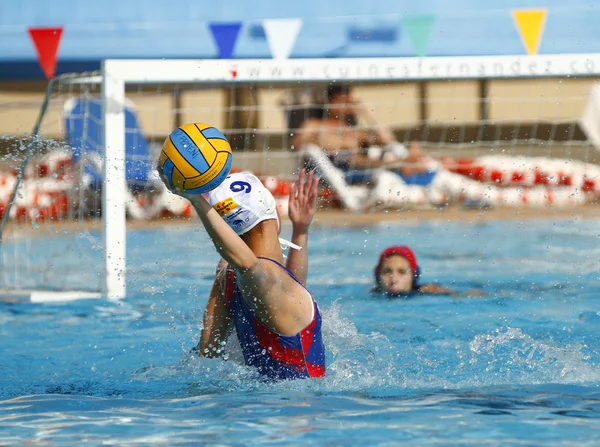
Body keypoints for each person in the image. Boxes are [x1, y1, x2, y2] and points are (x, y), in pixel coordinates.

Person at [160, 168, 326, 381]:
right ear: (275, 215)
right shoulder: (255, 274)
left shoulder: (226, 275)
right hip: (298, 407)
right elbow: (254, 270)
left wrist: (300, 232)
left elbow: (207, 356)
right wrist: (193, 197)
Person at [372, 246, 454, 297]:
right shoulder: (372, 295)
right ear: (378, 276)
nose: (394, 280)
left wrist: (448, 292)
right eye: (387, 272)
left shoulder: (426, 292)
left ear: (414, 276)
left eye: (402, 272)